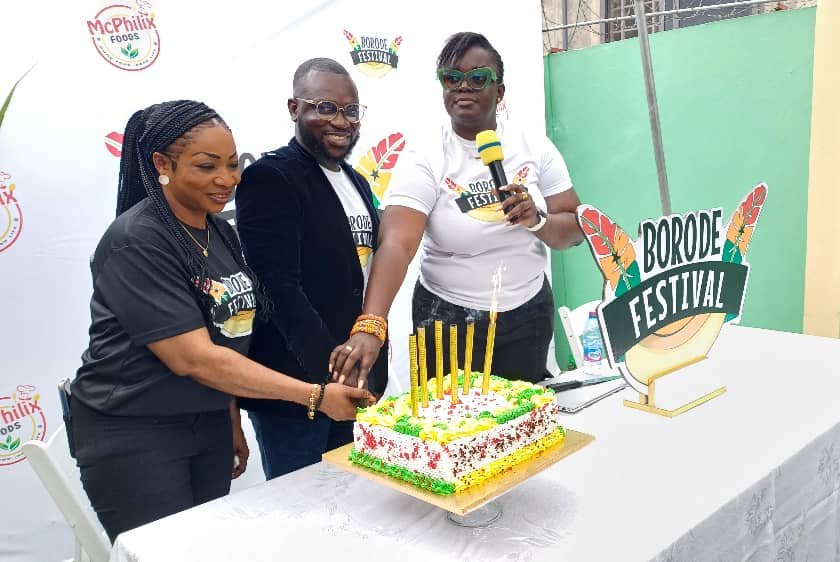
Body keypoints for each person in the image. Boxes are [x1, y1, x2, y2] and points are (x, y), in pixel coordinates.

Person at [69, 100, 374, 542]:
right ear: (161, 164)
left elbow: (227, 337)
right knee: (167, 552)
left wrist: (229, 418)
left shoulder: (219, 231)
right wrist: (315, 395)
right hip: (137, 434)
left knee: (209, 548)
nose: (227, 179)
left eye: (232, 165)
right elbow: (195, 358)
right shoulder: (136, 241)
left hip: (206, 423)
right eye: (207, 166)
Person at [329, 32, 584, 387]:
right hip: (447, 324)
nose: (464, 87)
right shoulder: (426, 156)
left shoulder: (534, 147)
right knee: (453, 432)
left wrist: (536, 219)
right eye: (452, 78)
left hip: (527, 317)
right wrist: (372, 324)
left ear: (501, 91)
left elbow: (574, 229)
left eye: (479, 78)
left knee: (518, 428)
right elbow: (397, 244)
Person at [234, 58, 388, 480]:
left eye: (350, 110)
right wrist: (330, 379)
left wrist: (362, 371)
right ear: (293, 108)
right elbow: (277, 289)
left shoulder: (356, 181)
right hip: (300, 395)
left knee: (357, 508)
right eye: (324, 107)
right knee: (304, 519)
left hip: (354, 386)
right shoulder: (270, 177)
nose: (340, 121)